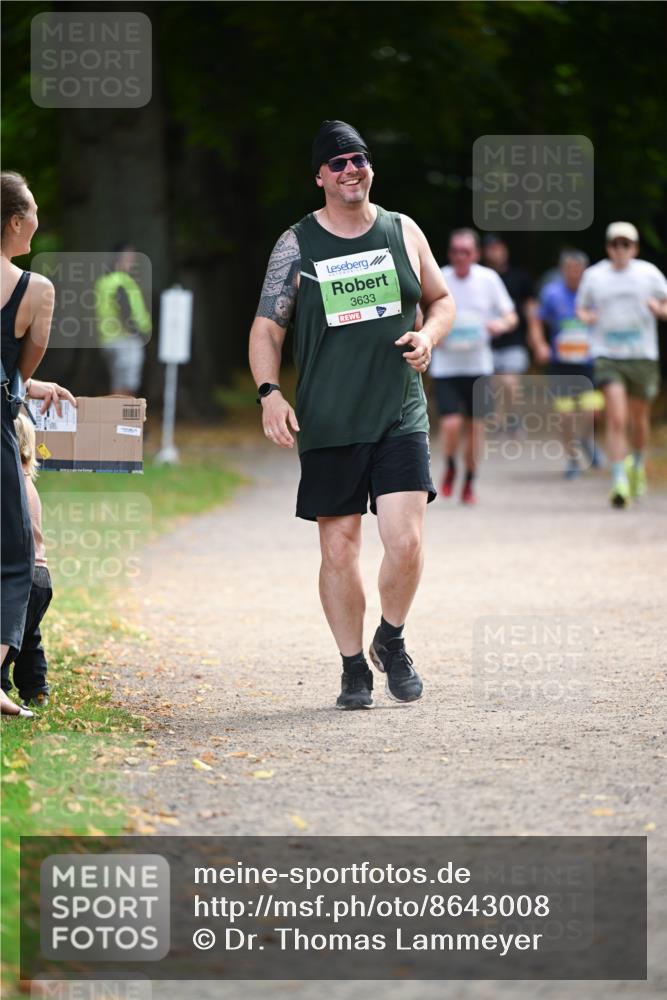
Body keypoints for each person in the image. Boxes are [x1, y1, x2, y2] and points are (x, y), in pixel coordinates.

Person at [248, 120, 454, 710]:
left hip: (398, 412)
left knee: (406, 541)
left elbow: (440, 300)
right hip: (330, 419)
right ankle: (351, 668)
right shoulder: (297, 245)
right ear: (319, 177)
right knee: (339, 549)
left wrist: (430, 337)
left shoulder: (402, 231)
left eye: (358, 159)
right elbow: (267, 327)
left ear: (370, 168)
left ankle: (390, 637)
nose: (349, 169)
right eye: (336, 163)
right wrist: (269, 392)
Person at [1, 170, 75, 718]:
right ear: (14, 222)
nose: (37, 224)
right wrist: (29, 386)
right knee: (18, 553)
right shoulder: (35, 289)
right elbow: (19, 369)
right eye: (32, 214)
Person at [576, 222, 667, 508]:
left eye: (626, 244)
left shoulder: (649, 274)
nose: (620, 250)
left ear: (635, 248)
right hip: (608, 355)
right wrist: (587, 317)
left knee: (639, 420)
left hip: (642, 356)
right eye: (615, 244)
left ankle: (637, 465)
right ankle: (619, 480)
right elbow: (581, 307)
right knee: (616, 418)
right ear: (608, 247)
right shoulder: (594, 276)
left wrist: (659, 310)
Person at [429, 228, 517, 504]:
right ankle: (451, 465)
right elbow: (420, 313)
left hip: (479, 368)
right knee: (452, 424)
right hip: (446, 368)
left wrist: (500, 324)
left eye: (466, 251)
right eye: (455, 251)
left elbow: (511, 315)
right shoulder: (439, 277)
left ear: (476, 254)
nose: (460, 256)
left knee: (477, 429)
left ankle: (469, 480)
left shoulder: (488, 279)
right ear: (449, 253)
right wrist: (430, 332)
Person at [528, 249, 605, 478]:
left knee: (591, 413)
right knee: (566, 415)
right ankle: (573, 458)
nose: (574, 274)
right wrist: (540, 344)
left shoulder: (594, 293)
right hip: (561, 364)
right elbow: (536, 319)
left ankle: (584, 439)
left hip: (589, 362)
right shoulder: (552, 293)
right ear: (563, 271)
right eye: (569, 270)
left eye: (578, 270)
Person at [2, 412, 52, 708]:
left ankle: (1, 687)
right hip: (42, 577)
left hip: (21, 574)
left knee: (5, 630)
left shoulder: (10, 487)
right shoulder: (29, 485)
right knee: (29, 636)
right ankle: (36, 688)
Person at [482, 234, 537, 435]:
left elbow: (530, 307)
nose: (495, 252)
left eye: (499, 247)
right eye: (491, 248)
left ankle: (510, 417)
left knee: (509, 382)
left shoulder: (519, 276)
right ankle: (501, 419)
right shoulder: (481, 276)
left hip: (514, 339)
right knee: (496, 384)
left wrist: (534, 334)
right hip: (486, 341)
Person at [95, 243, 151, 396]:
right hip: (125, 339)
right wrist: (138, 331)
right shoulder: (123, 281)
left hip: (107, 340)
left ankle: (119, 419)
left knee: (118, 383)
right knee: (126, 387)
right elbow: (125, 308)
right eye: (130, 258)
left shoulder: (103, 282)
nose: (132, 262)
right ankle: (121, 419)